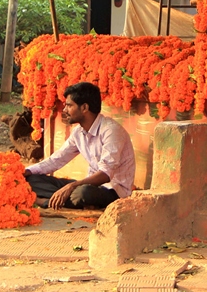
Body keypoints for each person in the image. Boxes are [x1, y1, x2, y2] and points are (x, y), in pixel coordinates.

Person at [24, 81, 135, 210]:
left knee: (83, 193)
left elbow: (106, 174)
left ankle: (46, 202)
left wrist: (72, 186)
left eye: (69, 106)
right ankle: (60, 199)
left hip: (113, 190)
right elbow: (57, 159)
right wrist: (27, 171)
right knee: (31, 180)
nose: (64, 110)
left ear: (84, 108)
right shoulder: (78, 132)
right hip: (87, 184)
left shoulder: (111, 131)